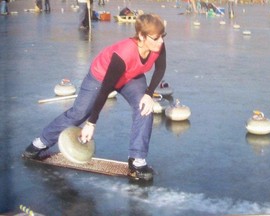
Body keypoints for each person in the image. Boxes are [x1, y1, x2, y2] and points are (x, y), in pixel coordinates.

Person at [23, 13, 167, 181]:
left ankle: (137, 159)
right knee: (79, 113)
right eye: (156, 38)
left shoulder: (158, 46)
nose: (161, 41)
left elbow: (160, 69)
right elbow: (106, 89)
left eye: (162, 37)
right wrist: (91, 123)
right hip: (101, 77)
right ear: (142, 36)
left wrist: (148, 94)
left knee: (145, 107)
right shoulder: (124, 53)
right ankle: (40, 142)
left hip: (131, 77)